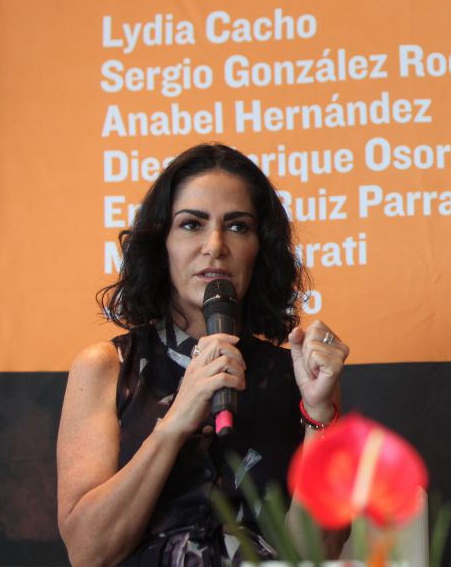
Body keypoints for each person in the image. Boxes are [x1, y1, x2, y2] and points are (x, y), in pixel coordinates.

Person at [57, 142, 351, 565]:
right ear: (163, 244)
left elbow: (314, 553)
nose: (215, 245)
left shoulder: (299, 377)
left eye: (237, 226)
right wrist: (177, 418)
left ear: (260, 249)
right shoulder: (107, 368)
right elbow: (88, 552)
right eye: (192, 225)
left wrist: (320, 412)